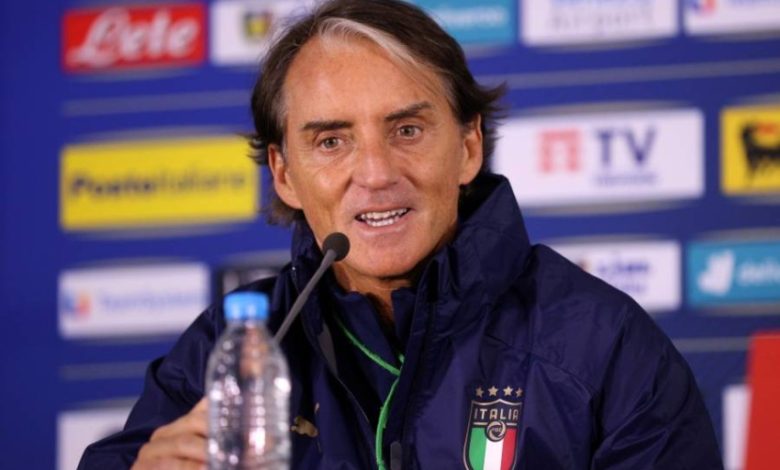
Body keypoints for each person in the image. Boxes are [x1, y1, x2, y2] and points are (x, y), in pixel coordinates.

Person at [79, 0, 723, 468]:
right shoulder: (233, 346)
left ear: (468, 147)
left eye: (407, 130)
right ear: (284, 174)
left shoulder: (604, 345)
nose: (377, 173)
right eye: (331, 141)